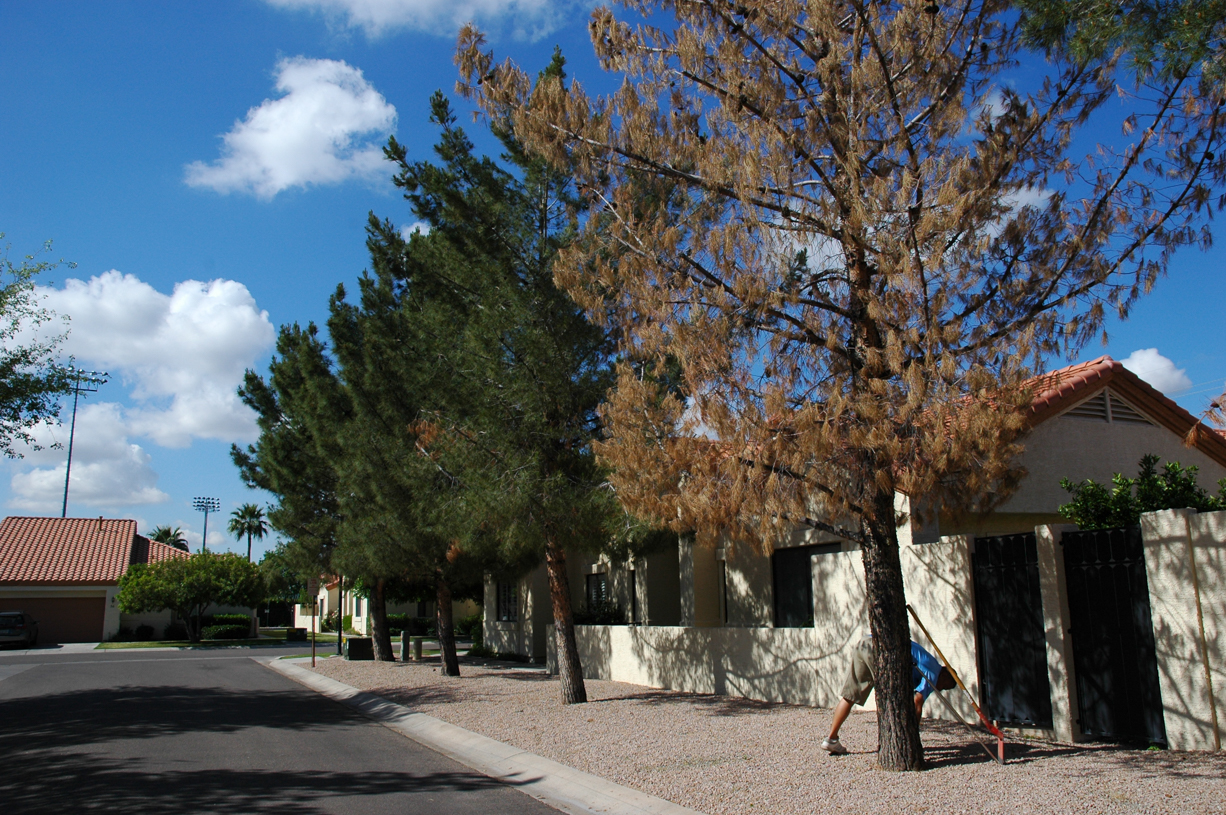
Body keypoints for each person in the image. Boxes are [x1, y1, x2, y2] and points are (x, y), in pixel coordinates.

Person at [821, 635, 956, 755]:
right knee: (889, 697)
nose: (939, 690)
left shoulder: (930, 663)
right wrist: (914, 736)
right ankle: (899, 744)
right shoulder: (933, 674)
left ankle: (831, 739)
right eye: (943, 686)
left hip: (865, 643)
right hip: (880, 648)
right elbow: (917, 702)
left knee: (850, 696)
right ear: (944, 675)